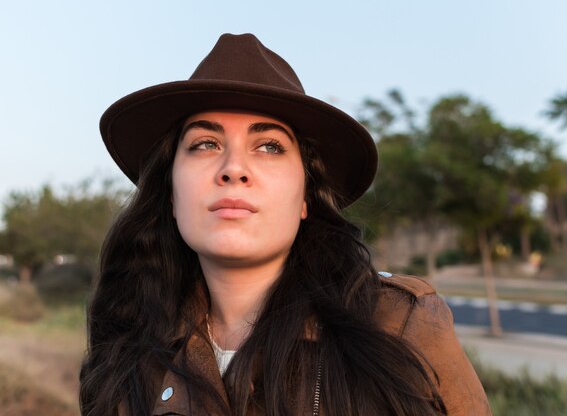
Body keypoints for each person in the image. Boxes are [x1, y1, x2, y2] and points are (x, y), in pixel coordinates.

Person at [80, 33, 492, 416]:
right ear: (171, 193)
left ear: (306, 197)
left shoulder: (398, 326)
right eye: (206, 144)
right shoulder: (126, 348)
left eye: (269, 146)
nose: (234, 169)